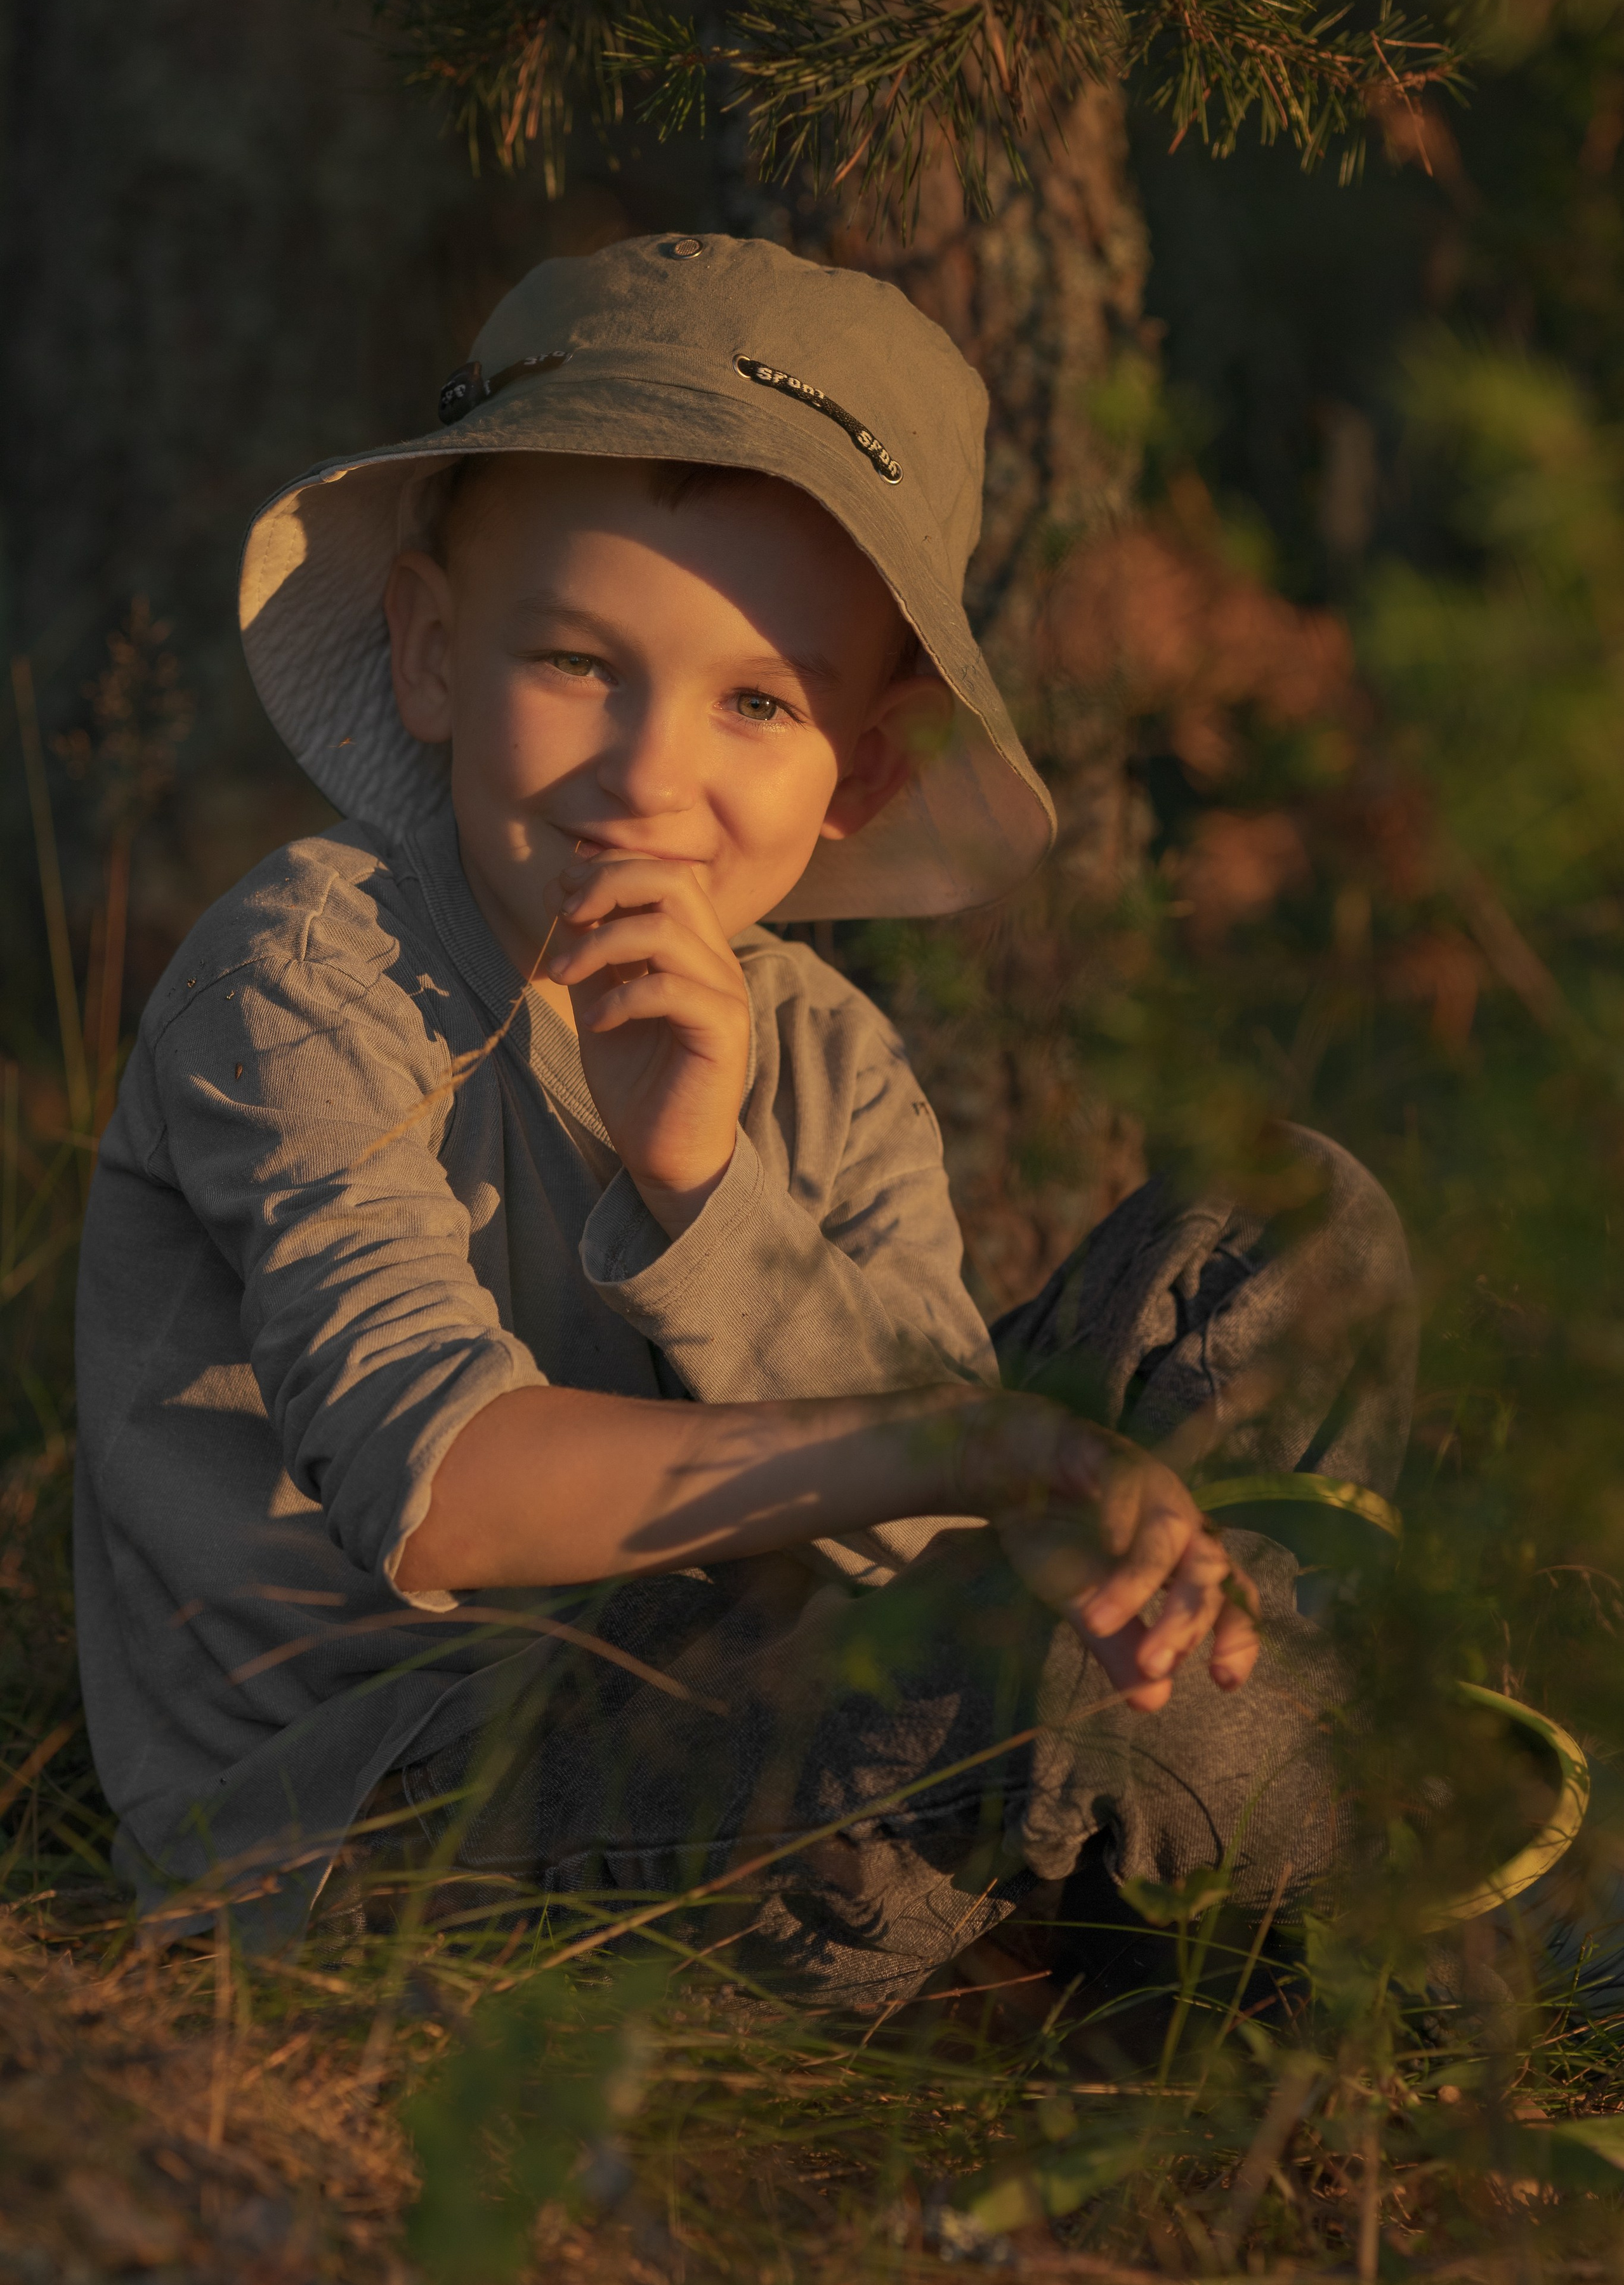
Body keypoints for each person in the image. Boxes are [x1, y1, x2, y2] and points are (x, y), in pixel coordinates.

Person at [73, 235, 1415, 1996]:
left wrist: (716, 1191)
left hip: (782, 1699)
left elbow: (931, 1527)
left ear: (864, 768)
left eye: (759, 701)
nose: (649, 773)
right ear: (431, 653)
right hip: (403, 1808)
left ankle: (1174, 1832)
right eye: (577, 661)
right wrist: (996, 1457)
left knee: (1294, 1223)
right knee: (990, 1683)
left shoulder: (829, 1055)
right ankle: (1319, 1848)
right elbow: (444, 1494)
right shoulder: (317, 971)